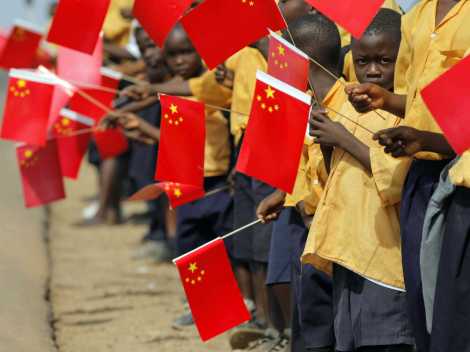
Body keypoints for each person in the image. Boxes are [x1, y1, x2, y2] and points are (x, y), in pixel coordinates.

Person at [345, 2, 470, 351]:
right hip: (421, 171)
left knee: (453, 306)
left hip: (460, 175)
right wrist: (385, 99)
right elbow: (417, 102)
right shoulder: (415, 17)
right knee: (420, 294)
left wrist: (429, 139)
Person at [305, 9, 414, 352]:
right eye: (363, 61)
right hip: (348, 247)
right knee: (350, 338)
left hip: (384, 254)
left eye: (385, 60)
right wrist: (328, 141)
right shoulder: (351, 106)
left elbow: (397, 180)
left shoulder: (409, 112)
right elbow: (334, 172)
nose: (373, 71)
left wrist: (343, 139)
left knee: (386, 340)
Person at [257, 12, 346, 352]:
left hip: (335, 238)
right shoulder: (305, 106)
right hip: (306, 221)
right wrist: (284, 194)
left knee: (334, 325)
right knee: (310, 321)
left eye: (281, 58)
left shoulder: (345, 110)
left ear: (300, 62)